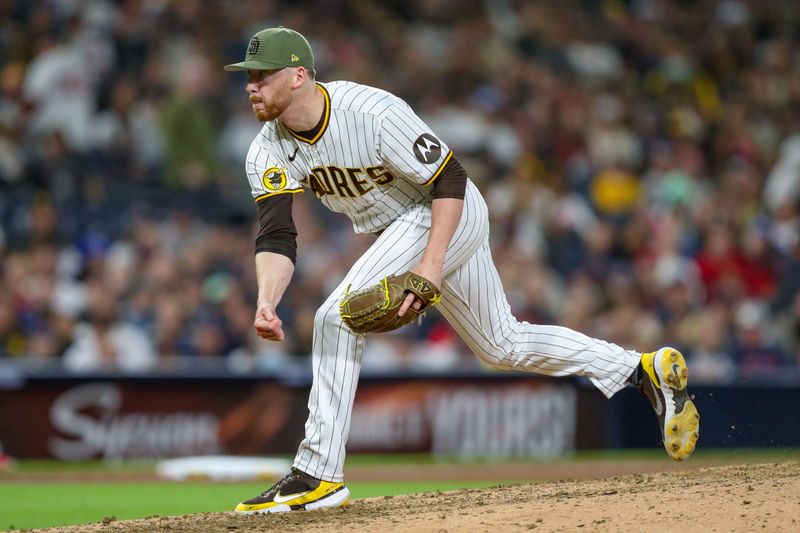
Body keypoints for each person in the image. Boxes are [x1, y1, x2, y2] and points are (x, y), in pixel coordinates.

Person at [224, 27, 700, 514]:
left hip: (446, 208)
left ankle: (318, 474)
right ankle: (641, 370)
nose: (251, 85)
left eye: (263, 74)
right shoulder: (266, 150)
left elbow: (450, 177)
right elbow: (277, 235)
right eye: (248, 76)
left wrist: (430, 267)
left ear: (299, 75)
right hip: (400, 228)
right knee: (502, 344)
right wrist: (267, 299)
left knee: (333, 317)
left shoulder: (369, 111)